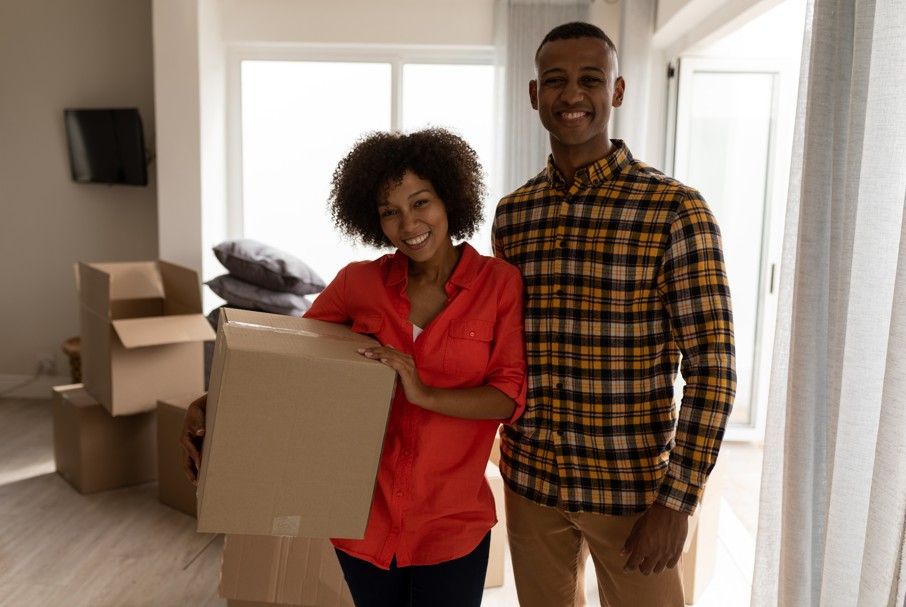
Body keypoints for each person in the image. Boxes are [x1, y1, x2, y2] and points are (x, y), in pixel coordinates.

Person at [181, 128, 527, 607]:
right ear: (373, 219)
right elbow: (288, 364)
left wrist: (423, 391)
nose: (409, 225)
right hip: (363, 519)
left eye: (421, 203)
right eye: (390, 212)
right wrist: (207, 405)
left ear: (449, 198)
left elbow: (508, 397)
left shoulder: (499, 285)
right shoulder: (358, 284)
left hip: (452, 524)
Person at [491, 22, 736, 607]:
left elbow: (713, 367)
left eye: (589, 79)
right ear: (533, 95)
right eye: (555, 81)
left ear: (617, 91)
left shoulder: (675, 209)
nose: (571, 95)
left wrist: (677, 503)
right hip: (530, 482)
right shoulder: (513, 215)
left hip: (632, 492)